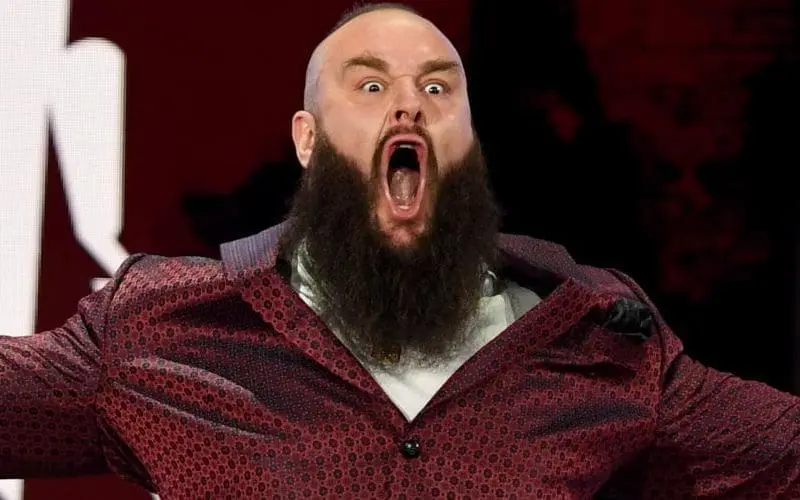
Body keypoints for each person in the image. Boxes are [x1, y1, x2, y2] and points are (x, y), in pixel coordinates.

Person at [1, 3, 799, 498]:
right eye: (372, 86)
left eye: (438, 88)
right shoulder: (165, 328)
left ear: (470, 142)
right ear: (308, 140)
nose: (410, 106)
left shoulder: (600, 343)